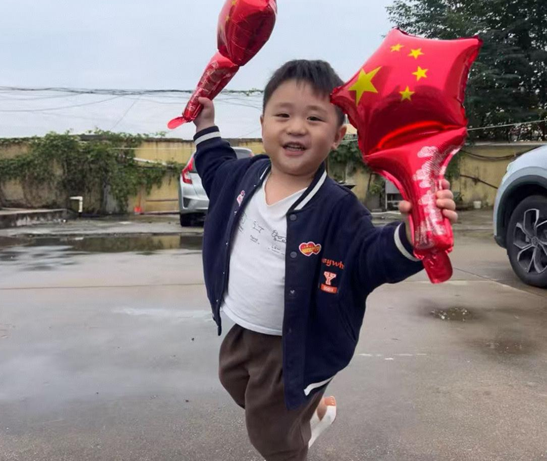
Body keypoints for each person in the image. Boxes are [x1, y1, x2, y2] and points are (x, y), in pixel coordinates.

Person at [192, 60, 458, 461]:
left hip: (299, 344)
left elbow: (372, 258)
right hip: (244, 327)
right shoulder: (243, 177)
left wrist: (413, 232)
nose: (296, 127)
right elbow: (213, 165)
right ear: (262, 124)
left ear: (337, 136)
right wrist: (205, 125)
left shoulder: (339, 209)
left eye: (314, 118)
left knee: (270, 435)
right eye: (283, 115)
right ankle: (310, 411)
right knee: (234, 382)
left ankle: (292, 441)